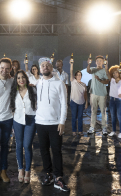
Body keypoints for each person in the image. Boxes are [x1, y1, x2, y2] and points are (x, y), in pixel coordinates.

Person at [36, 57, 70, 192]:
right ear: (40, 69)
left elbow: (64, 104)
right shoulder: (37, 83)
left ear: (51, 68)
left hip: (55, 123)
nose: (45, 67)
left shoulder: (59, 83)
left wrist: (62, 122)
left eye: (47, 65)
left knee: (56, 151)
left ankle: (59, 177)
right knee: (44, 151)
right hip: (40, 122)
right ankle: (48, 174)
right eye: (42, 66)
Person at [10, 70, 36, 184]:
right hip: (17, 120)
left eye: (23, 77)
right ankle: (20, 169)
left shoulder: (33, 89)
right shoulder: (13, 91)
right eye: (19, 78)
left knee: (27, 145)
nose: (21, 80)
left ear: (26, 78)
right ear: (16, 80)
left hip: (31, 119)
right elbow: (11, 106)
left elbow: (38, 104)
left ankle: (28, 171)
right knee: (19, 145)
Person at [87, 55, 109, 135]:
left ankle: (104, 127)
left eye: (100, 61)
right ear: (95, 62)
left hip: (102, 94)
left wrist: (99, 79)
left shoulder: (105, 70)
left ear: (103, 62)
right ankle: (92, 127)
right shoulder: (93, 69)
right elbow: (88, 71)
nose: (99, 62)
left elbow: (107, 81)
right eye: (97, 61)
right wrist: (88, 64)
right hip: (93, 93)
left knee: (103, 111)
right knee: (93, 111)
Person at [105, 64, 121, 138]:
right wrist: (106, 65)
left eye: (116, 72)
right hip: (112, 100)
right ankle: (113, 131)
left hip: (119, 101)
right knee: (113, 117)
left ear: (119, 73)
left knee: (119, 117)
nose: (114, 74)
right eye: (113, 73)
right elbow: (107, 72)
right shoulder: (112, 80)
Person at [69, 59, 87, 136]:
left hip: (81, 103)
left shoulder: (84, 84)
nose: (79, 76)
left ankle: (80, 131)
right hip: (74, 102)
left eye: (80, 75)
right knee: (74, 117)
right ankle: (74, 131)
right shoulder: (73, 81)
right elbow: (71, 72)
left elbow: (85, 94)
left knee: (80, 117)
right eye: (78, 75)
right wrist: (71, 64)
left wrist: (86, 103)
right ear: (75, 76)